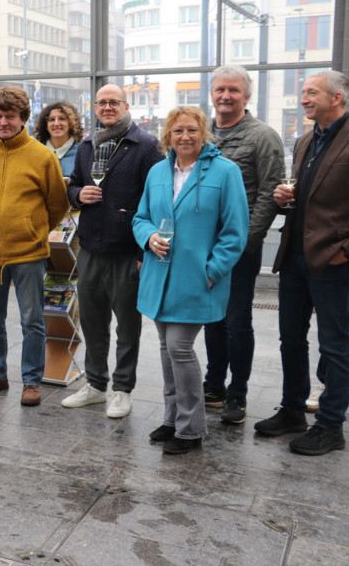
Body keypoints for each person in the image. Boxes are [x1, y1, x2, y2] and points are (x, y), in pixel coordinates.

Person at [132, 106, 248, 454]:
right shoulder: (157, 171)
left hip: (196, 279)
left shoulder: (226, 172)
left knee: (180, 349)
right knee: (167, 351)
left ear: (204, 134)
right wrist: (149, 236)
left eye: (192, 131)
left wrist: (212, 271)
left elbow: (235, 233)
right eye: (178, 131)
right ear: (168, 135)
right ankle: (172, 419)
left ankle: (191, 429)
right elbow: (140, 217)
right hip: (159, 276)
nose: (185, 137)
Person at [256, 70, 349, 456]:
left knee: (336, 345)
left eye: (311, 93)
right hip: (294, 255)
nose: (304, 99)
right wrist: (283, 197)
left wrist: (345, 251)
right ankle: (293, 410)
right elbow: (307, 196)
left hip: (333, 261)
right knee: (290, 339)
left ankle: (330, 425)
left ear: (337, 98)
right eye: (303, 93)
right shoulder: (307, 139)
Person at [63, 85, 162, 418]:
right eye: (101, 102)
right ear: (94, 107)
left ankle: (122, 389)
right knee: (92, 323)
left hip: (127, 251)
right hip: (90, 247)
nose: (107, 107)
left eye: (113, 102)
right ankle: (94, 384)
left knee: (128, 327)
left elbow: (155, 199)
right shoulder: (87, 145)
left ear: (125, 105)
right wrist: (78, 195)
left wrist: (141, 251)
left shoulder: (146, 145)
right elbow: (74, 183)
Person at [0, 86, 68, 403]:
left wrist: (33, 231)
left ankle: (32, 381)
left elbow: (57, 205)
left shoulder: (43, 157)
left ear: (23, 118)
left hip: (28, 256)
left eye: (10, 116)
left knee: (32, 322)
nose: (3, 122)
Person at [200, 66, 283, 425]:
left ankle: (238, 392)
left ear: (246, 96)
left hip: (239, 249)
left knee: (237, 321)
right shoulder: (202, 133)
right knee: (211, 319)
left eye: (234, 90)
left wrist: (246, 243)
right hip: (202, 247)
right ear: (212, 93)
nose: (226, 96)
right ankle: (214, 384)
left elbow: (270, 194)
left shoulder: (263, 136)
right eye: (220, 89)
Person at [35, 101, 84, 177]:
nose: (56, 123)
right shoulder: (36, 153)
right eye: (51, 119)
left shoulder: (82, 152)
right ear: (46, 125)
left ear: (71, 123)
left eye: (62, 119)